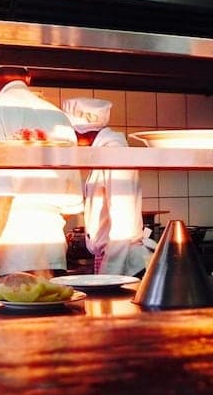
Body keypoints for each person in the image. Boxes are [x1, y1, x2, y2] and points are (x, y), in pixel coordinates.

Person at [0, 65, 84, 281]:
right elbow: (71, 202)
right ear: (28, 78)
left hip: (10, 253)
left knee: (15, 302)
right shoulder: (58, 115)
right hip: (53, 251)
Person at [62, 97, 155, 277]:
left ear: (82, 130)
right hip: (113, 256)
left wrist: (110, 276)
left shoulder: (115, 152)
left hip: (124, 262)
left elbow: (123, 219)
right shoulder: (103, 152)